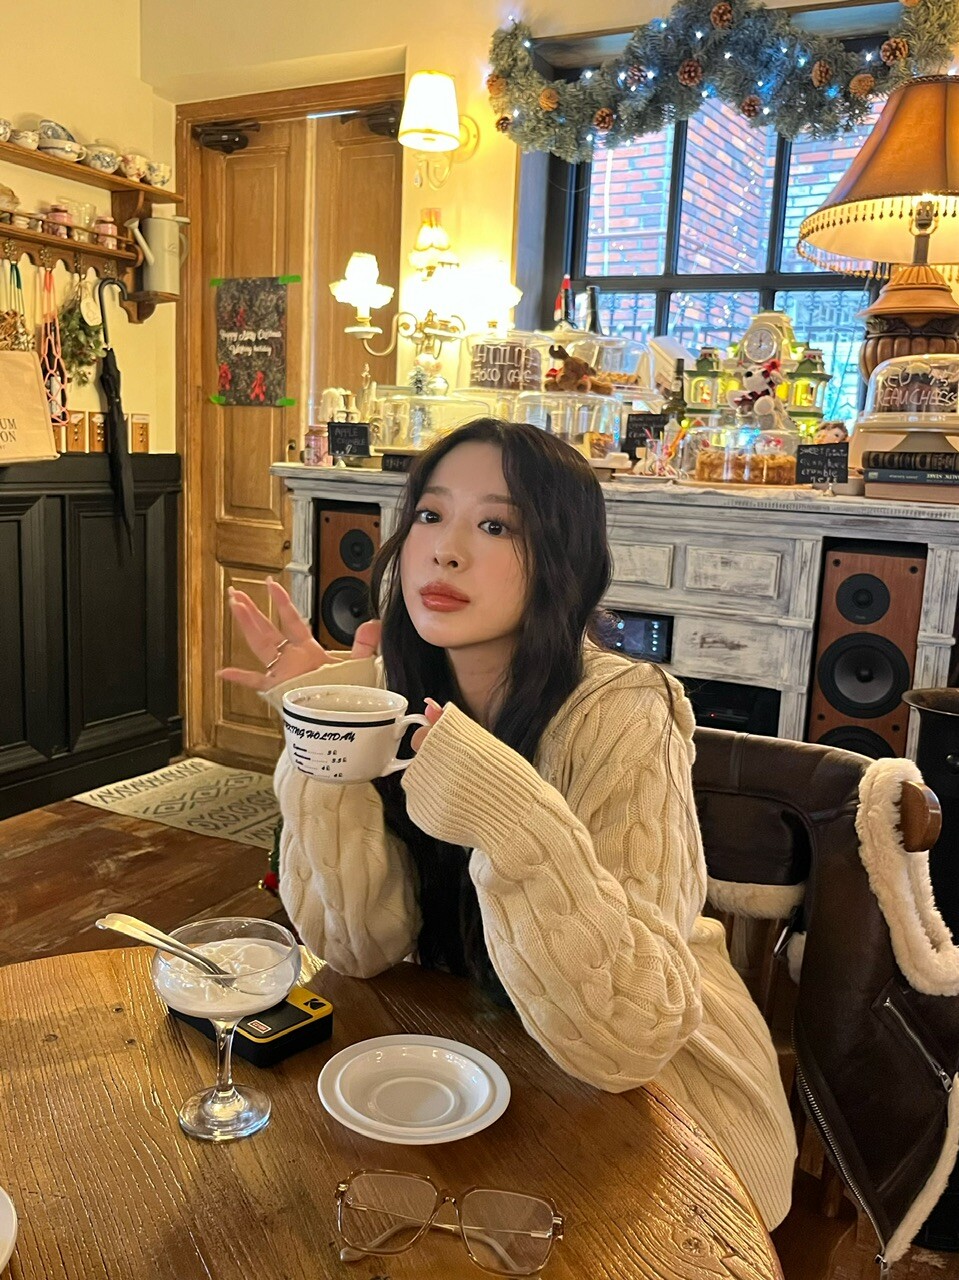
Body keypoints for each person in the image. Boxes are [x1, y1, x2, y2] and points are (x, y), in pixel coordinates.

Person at [221, 418, 796, 1227]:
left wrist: (508, 816)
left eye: (496, 526)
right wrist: (326, 739)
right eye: (430, 515)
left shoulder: (621, 711)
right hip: (461, 1044)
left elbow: (627, 1040)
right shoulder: (392, 691)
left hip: (661, 1094)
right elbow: (357, 950)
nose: (446, 552)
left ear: (562, 559)